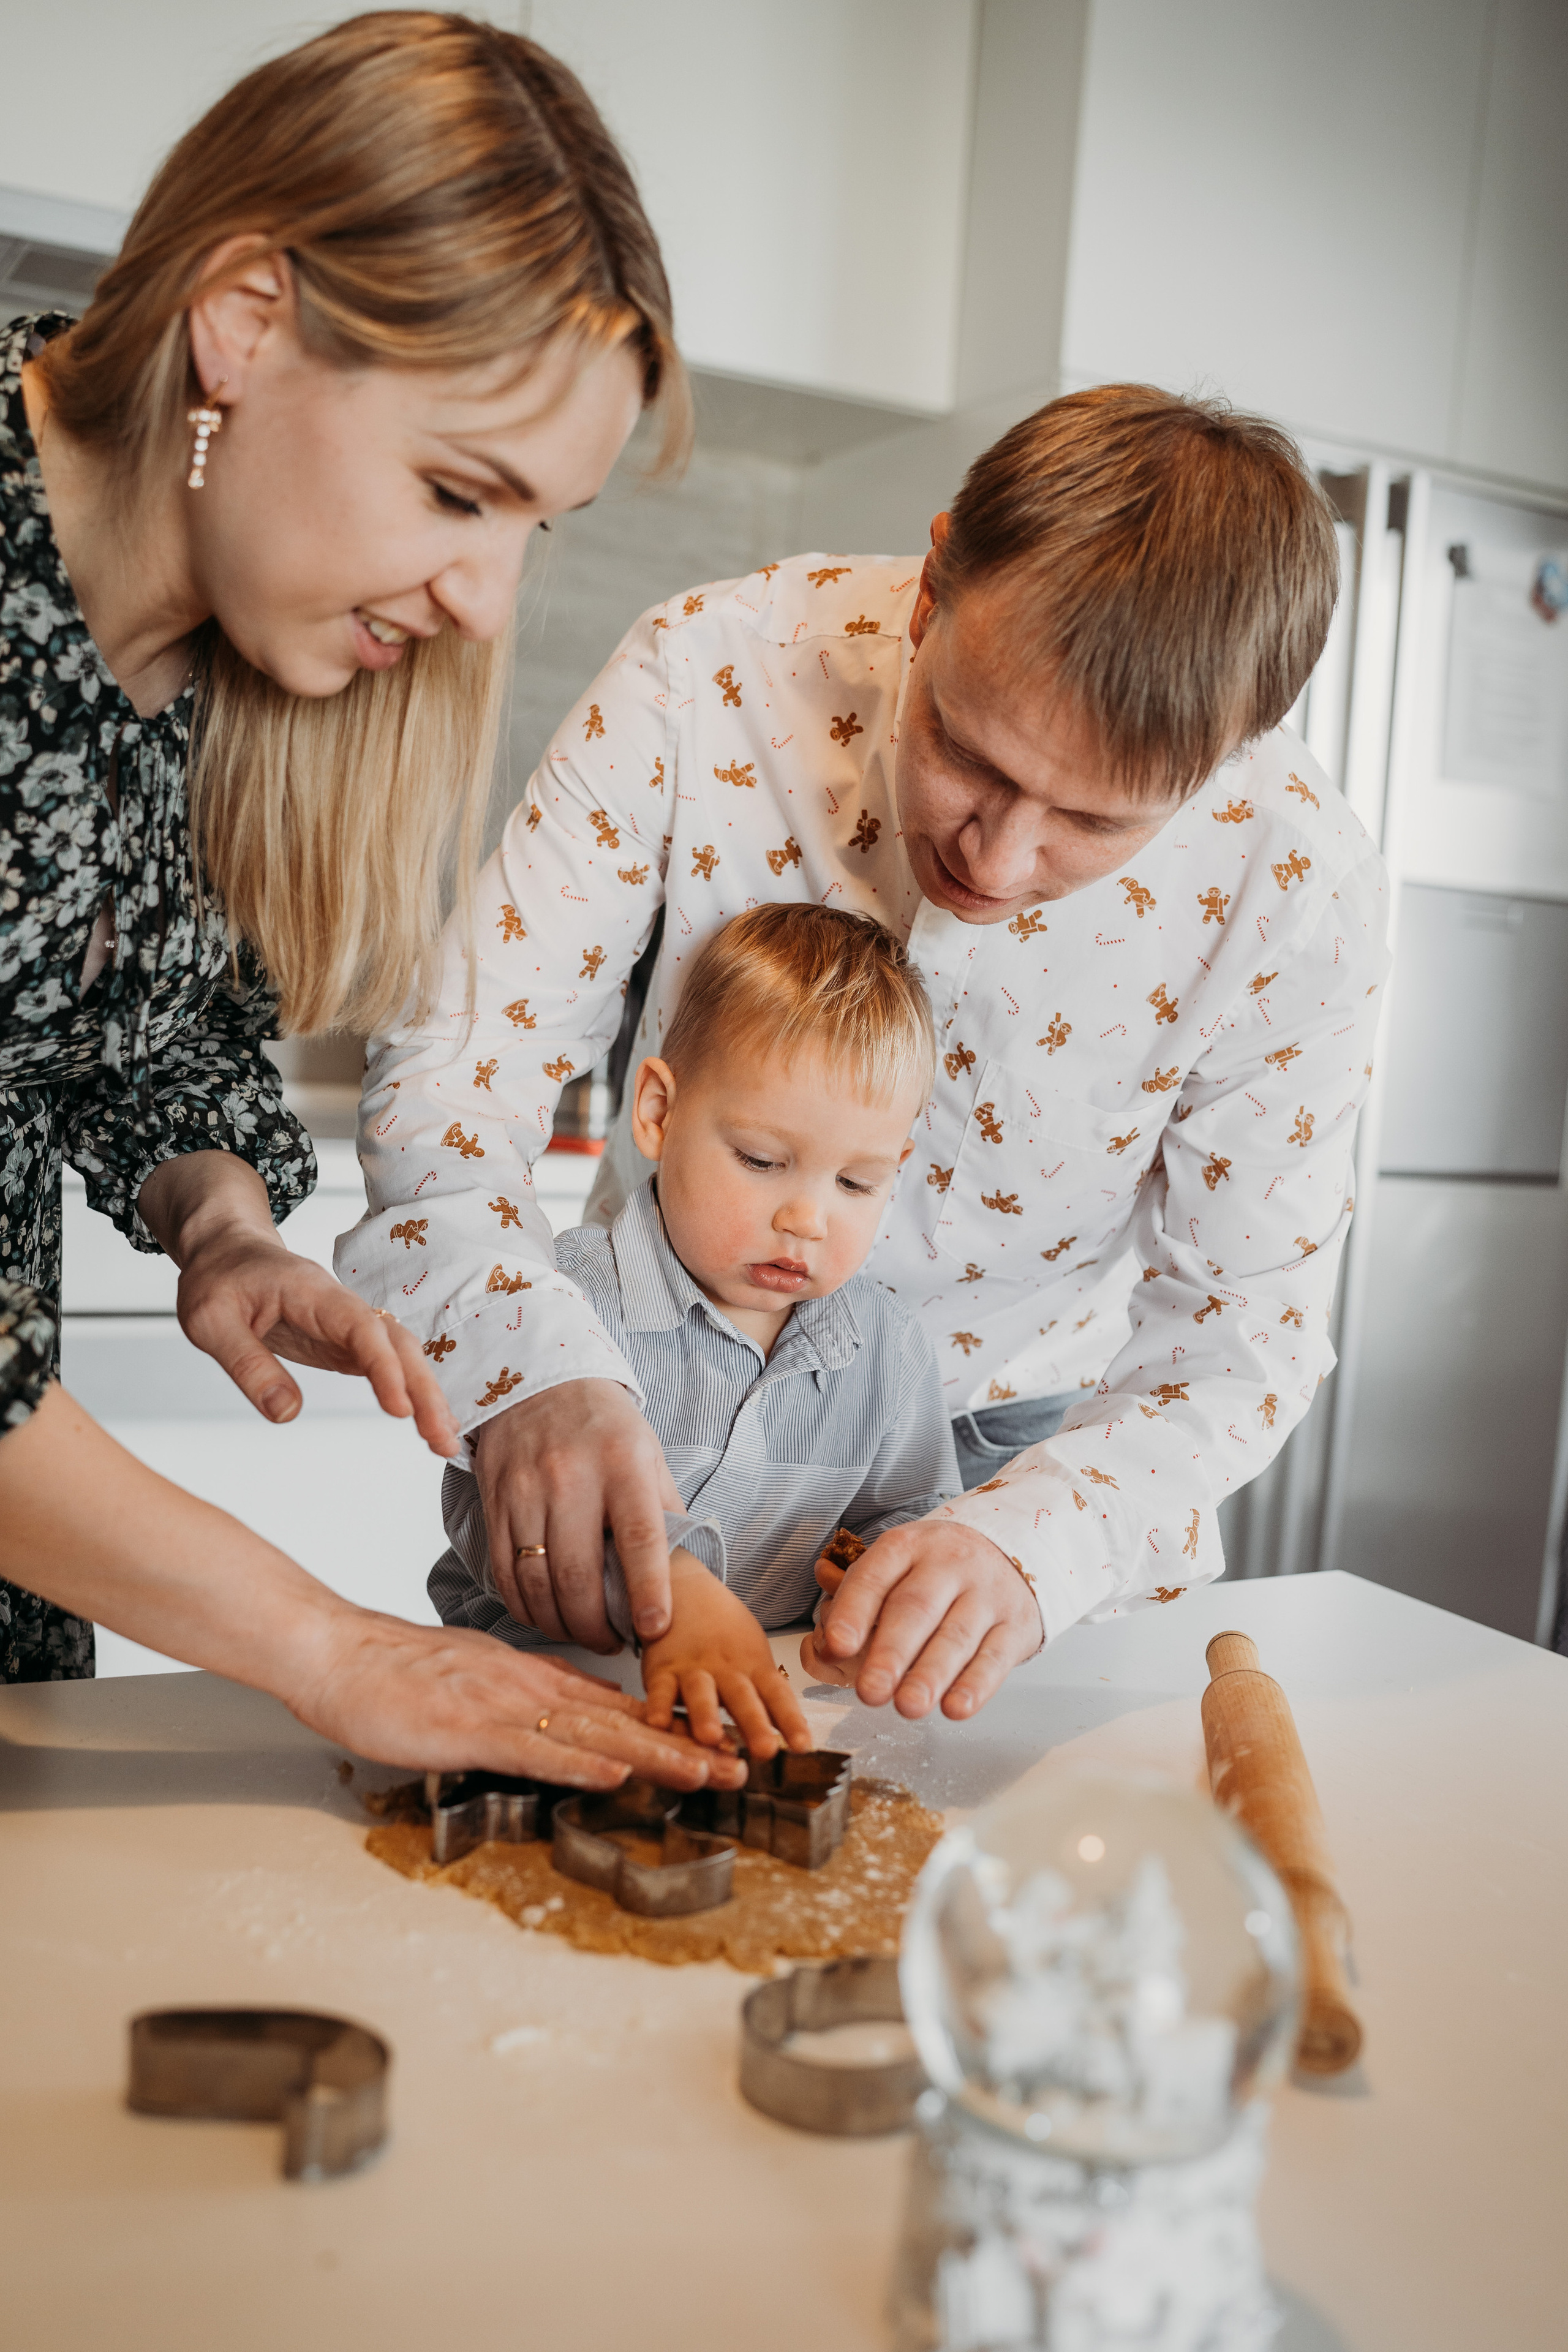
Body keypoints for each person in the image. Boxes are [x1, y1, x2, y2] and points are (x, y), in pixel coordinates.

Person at [342, 387, 1390, 1727]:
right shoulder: (705, 671)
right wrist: (528, 1360)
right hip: (653, 1407)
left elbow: (1248, 1322)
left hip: (1021, 1459)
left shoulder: (1295, 882)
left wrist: (1036, 1543)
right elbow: (458, 1067)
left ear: (1226, 756)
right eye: (965, 750)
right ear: (934, 578)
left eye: (1092, 821)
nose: (995, 862)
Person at [0, 13, 745, 1796]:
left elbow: (146, 1044)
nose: (486, 601)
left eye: (531, 530)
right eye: (454, 491)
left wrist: (223, 1231)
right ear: (245, 323)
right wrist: (330, 1650)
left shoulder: (220, 664)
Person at [423, 903, 962, 1755]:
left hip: (773, 1720)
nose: (808, 1218)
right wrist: (667, 1582)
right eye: (760, 1159)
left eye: (857, 1184)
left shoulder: (889, 1348)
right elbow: (491, 1519)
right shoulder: (559, 1306)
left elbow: (911, 1511)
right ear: (658, 1113)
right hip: (544, 1706)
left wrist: (879, 1575)